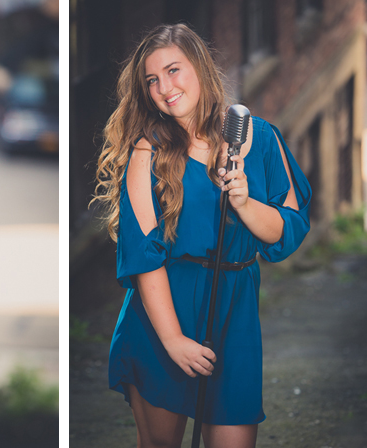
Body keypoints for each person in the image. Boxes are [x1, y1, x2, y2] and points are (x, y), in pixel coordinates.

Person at [91, 24, 311, 448]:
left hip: (236, 314)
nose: (164, 88)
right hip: (163, 317)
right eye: (152, 80)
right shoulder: (147, 152)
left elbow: (289, 230)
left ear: (201, 68)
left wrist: (246, 203)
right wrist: (174, 342)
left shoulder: (261, 138)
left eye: (173, 70)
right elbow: (143, 255)